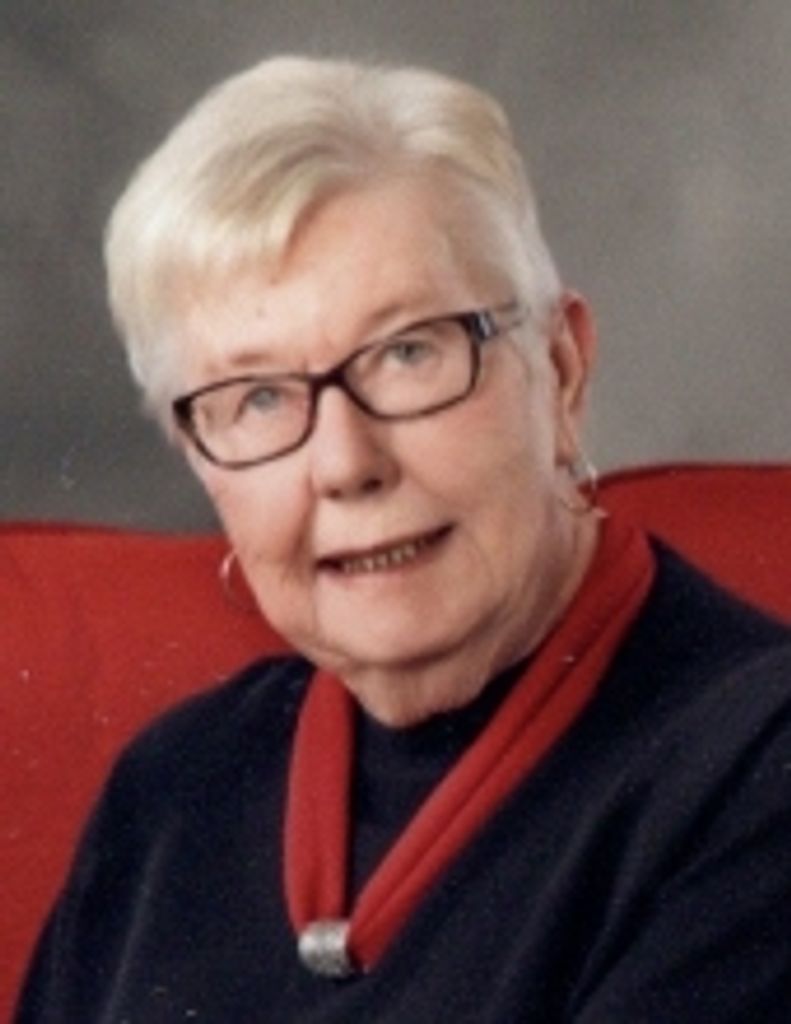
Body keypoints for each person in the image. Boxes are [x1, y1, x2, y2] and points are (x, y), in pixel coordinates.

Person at [15, 56, 791, 1023]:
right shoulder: (175, 786)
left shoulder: (753, 767)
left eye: (407, 352)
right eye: (257, 398)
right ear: (200, 461)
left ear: (560, 371)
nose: (346, 463)